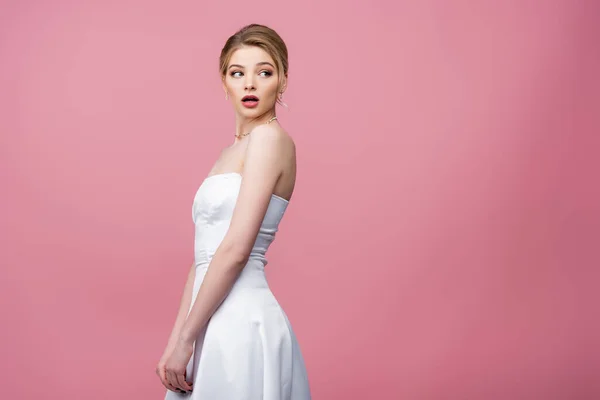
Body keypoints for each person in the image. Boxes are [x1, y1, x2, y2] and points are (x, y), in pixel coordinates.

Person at [156, 24, 311, 399]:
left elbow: (236, 249)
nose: (250, 84)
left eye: (265, 72)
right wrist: (178, 339)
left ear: (283, 80)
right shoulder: (229, 153)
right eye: (237, 73)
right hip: (208, 319)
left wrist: (187, 337)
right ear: (223, 82)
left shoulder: (270, 140)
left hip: (240, 321)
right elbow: (202, 257)